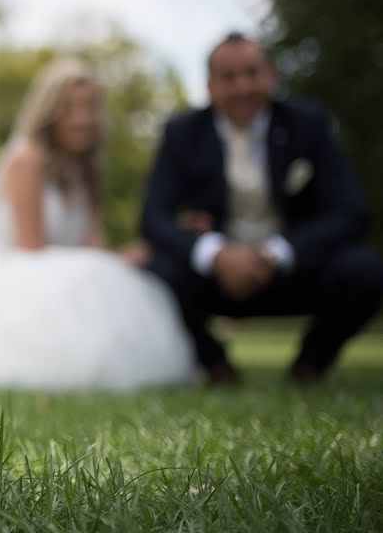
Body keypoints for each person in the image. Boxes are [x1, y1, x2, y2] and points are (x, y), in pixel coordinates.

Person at [0, 57, 196, 390]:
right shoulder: (26, 159)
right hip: (12, 271)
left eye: (90, 107)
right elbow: (30, 249)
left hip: (55, 267)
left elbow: (94, 250)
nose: (83, 119)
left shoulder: (85, 171)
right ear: (49, 113)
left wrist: (150, 247)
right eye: (70, 108)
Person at [141, 32, 383, 385]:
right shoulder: (182, 133)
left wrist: (275, 253)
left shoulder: (309, 124)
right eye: (228, 78)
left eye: (252, 73)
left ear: (272, 76)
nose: (242, 87)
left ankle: (310, 364)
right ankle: (215, 366)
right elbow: (153, 218)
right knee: (159, 272)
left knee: (364, 270)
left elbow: (351, 212)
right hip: (216, 278)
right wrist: (215, 254)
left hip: (294, 269)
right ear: (210, 86)